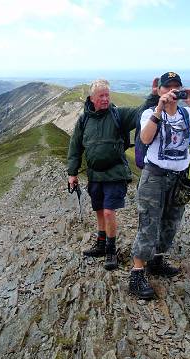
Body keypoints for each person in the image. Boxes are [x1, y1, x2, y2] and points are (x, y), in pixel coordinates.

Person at [129, 72, 190, 299]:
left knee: (171, 221)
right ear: (159, 90)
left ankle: (157, 261)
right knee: (149, 222)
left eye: (176, 87)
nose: (172, 92)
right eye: (167, 87)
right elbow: (145, 139)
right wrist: (159, 109)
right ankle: (137, 273)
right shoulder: (149, 113)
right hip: (154, 176)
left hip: (179, 178)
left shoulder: (186, 113)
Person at [67, 79, 158, 270]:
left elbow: (141, 111)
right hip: (94, 174)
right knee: (99, 210)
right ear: (92, 98)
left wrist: (154, 96)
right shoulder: (84, 120)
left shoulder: (118, 115)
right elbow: (75, 147)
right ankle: (101, 244)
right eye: (101, 95)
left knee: (109, 211)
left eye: (107, 94)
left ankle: (110, 250)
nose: (105, 98)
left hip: (115, 173)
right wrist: (72, 173)